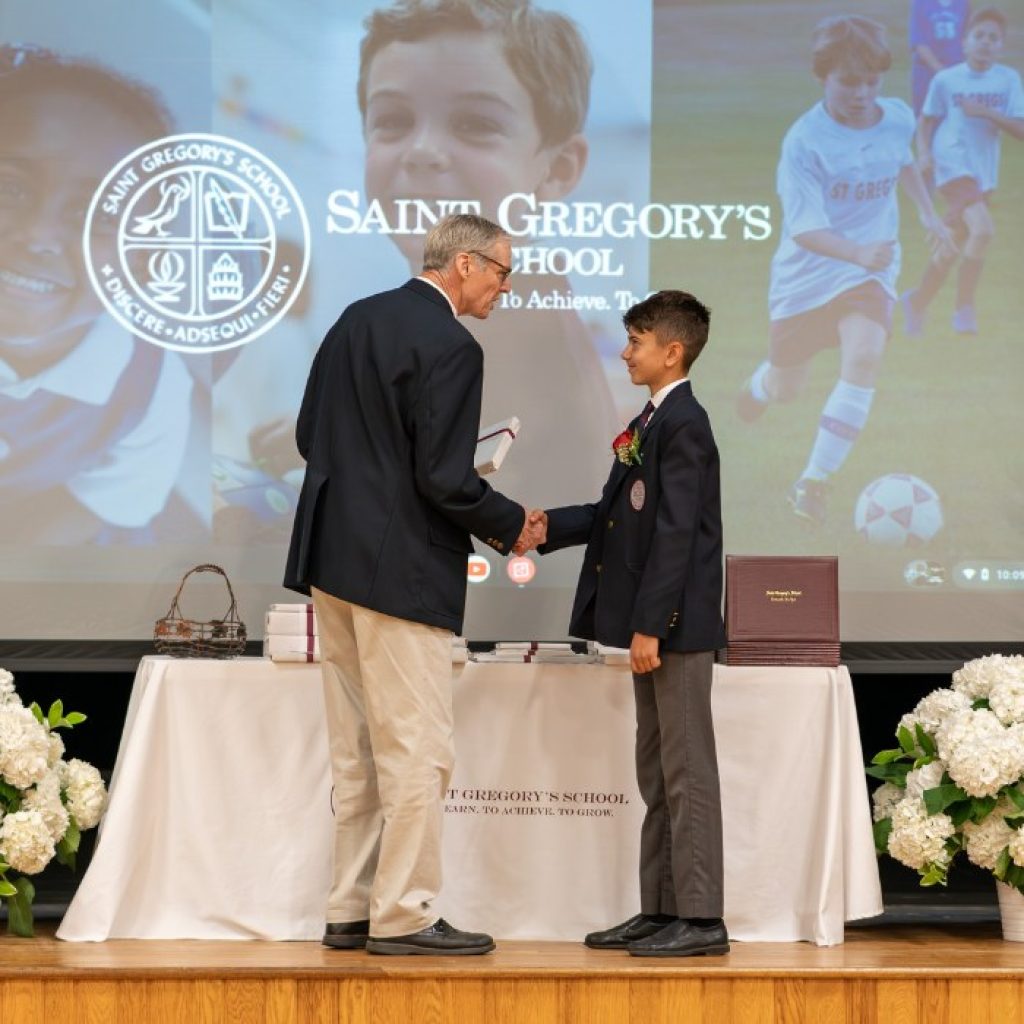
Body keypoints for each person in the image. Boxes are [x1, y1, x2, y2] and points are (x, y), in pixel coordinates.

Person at [238, 0, 621, 528]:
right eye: (392, 121)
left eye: (475, 124)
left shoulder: (517, 328)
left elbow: (469, 480)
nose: (421, 151)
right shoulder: (445, 315)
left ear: (556, 169)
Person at [283, 214, 544, 956]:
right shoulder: (452, 344)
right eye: (501, 271)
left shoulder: (354, 319)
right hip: (399, 573)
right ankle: (403, 913)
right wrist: (508, 520)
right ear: (463, 265)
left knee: (358, 748)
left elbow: (310, 437)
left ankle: (350, 909)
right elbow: (443, 477)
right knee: (417, 748)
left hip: (332, 562)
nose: (505, 286)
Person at [532, 290, 728, 958]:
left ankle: (702, 920)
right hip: (657, 627)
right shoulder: (651, 420)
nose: (625, 351)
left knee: (687, 772)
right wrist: (544, 527)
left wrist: (653, 624)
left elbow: (676, 537)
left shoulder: (686, 425)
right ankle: (661, 907)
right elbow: (614, 512)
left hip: (674, 630)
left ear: (672, 350)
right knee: (657, 771)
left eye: (637, 341)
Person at [733, 16, 952, 527]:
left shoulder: (896, 116)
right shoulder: (805, 141)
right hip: (808, 276)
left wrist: (927, 213)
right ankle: (763, 385)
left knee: (866, 353)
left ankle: (813, 483)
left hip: (870, 272)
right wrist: (857, 253)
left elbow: (903, 163)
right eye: (849, 82)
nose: (861, 94)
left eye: (871, 82)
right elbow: (804, 230)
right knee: (790, 387)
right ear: (822, 78)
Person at [0, 45, 205, 543]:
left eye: (95, 216)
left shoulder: (151, 385)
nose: (39, 234)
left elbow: (103, 506)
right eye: (11, 189)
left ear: (140, 263)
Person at [901, 7, 1024, 337]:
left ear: (1001, 46)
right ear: (965, 42)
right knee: (982, 230)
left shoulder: (1008, 79)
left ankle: (917, 302)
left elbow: (1020, 129)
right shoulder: (946, 79)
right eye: (979, 36)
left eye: (993, 38)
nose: (985, 43)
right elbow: (926, 120)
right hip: (951, 163)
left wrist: (987, 112)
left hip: (984, 171)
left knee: (953, 245)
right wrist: (924, 153)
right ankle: (964, 308)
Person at [909, 0, 971, 117]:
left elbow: (968, 36)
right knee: (926, 117)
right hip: (926, 73)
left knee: (954, 116)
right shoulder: (920, 3)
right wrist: (942, 71)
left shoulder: (963, 3)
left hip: (956, 72)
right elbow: (919, 44)